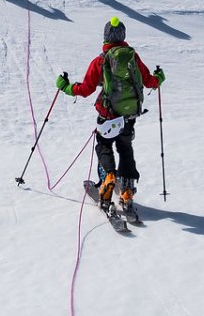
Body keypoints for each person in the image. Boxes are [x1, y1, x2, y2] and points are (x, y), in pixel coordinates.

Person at [57, 18, 163, 223]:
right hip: (129, 115)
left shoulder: (101, 60)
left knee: (104, 145)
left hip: (107, 115)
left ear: (106, 36)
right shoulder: (132, 57)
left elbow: (86, 89)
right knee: (125, 148)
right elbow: (150, 80)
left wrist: (65, 87)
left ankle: (108, 180)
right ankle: (127, 190)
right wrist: (160, 77)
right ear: (123, 36)